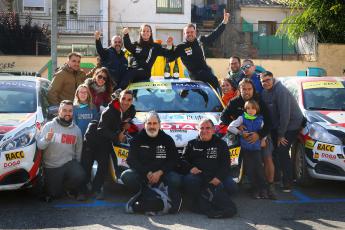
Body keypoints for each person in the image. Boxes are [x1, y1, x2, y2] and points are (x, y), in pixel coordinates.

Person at [220, 78, 276, 199]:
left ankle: (270, 186)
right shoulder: (234, 102)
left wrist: (260, 136)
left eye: (249, 89)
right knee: (248, 163)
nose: (246, 91)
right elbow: (223, 117)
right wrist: (238, 125)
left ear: (253, 89)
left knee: (267, 157)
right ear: (239, 90)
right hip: (241, 136)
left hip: (261, 134)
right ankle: (251, 186)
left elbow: (269, 123)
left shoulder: (259, 101)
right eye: (243, 89)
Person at [121, 112, 182, 213]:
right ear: (145, 125)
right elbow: (131, 160)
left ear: (159, 124)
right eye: (149, 123)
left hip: (162, 175)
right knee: (126, 176)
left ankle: (153, 190)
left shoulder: (167, 139)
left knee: (176, 179)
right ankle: (144, 191)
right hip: (143, 175)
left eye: (154, 123)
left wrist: (160, 172)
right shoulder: (137, 139)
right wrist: (147, 173)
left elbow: (174, 159)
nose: (152, 126)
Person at [260, 71, 304, 191]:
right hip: (277, 126)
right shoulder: (264, 92)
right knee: (274, 151)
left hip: (291, 124)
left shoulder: (281, 91)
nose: (265, 83)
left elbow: (285, 115)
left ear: (273, 79)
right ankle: (277, 178)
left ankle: (288, 182)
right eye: (263, 81)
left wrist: (281, 135)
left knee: (282, 150)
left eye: (268, 80)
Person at [182, 118, 238, 209]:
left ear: (213, 130)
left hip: (216, 174)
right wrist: (190, 168)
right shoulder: (191, 144)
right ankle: (199, 200)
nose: (204, 131)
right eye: (202, 128)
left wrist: (218, 178)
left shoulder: (221, 144)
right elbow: (183, 160)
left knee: (232, 187)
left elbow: (226, 164)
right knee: (189, 180)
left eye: (207, 128)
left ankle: (216, 198)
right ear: (198, 129)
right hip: (199, 176)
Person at [90, 89, 136, 199]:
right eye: (123, 98)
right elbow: (101, 129)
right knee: (103, 163)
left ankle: (126, 184)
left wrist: (127, 124)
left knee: (121, 161)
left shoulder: (132, 110)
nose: (126, 102)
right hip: (101, 139)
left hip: (116, 139)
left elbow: (127, 120)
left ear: (132, 101)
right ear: (118, 98)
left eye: (129, 100)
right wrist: (117, 136)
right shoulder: (109, 111)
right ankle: (96, 189)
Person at [172, 10, 230, 94]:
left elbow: (215, 34)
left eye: (191, 32)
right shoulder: (181, 47)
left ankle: (219, 100)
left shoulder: (201, 41)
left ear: (195, 32)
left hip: (206, 72)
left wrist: (224, 22)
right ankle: (187, 89)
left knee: (214, 82)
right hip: (195, 75)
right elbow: (170, 57)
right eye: (187, 32)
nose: (190, 34)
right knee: (213, 79)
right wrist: (170, 46)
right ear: (184, 34)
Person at [37, 100, 85, 201]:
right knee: (55, 194)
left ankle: (69, 187)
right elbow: (40, 146)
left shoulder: (76, 130)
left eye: (70, 111)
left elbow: (78, 151)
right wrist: (47, 139)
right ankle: (58, 187)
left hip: (68, 163)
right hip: (52, 166)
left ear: (73, 112)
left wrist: (77, 166)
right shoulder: (49, 126)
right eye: (64, 110)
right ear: (59, 111)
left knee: (80, 174)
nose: (67, 113)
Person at [228, 100, 268, 199]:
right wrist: (240, 133)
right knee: (250, 170)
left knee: (259, 169)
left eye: (253, 108)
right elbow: (230, 127)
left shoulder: (260, 119)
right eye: (248, 108)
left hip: (256, 148)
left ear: (257, 109)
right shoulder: (242, 118)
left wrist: (263, 140)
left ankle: (263, 190)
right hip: (246, 148)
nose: (250, 110)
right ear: (245, 109)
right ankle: (254, 190)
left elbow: (264, 131)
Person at [119, 24, 174, 89]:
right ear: (140, 33)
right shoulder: (136, 44)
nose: (146, 33)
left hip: (145, 73)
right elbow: (127, 45)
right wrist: (126, 34)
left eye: (148, 31)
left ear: (151, 33)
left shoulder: (155, 47)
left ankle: (119, 90)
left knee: (132, 72)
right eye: (144, 31)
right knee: (124, 71)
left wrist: (169, 45)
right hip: (133, 71)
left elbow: (169, 55)